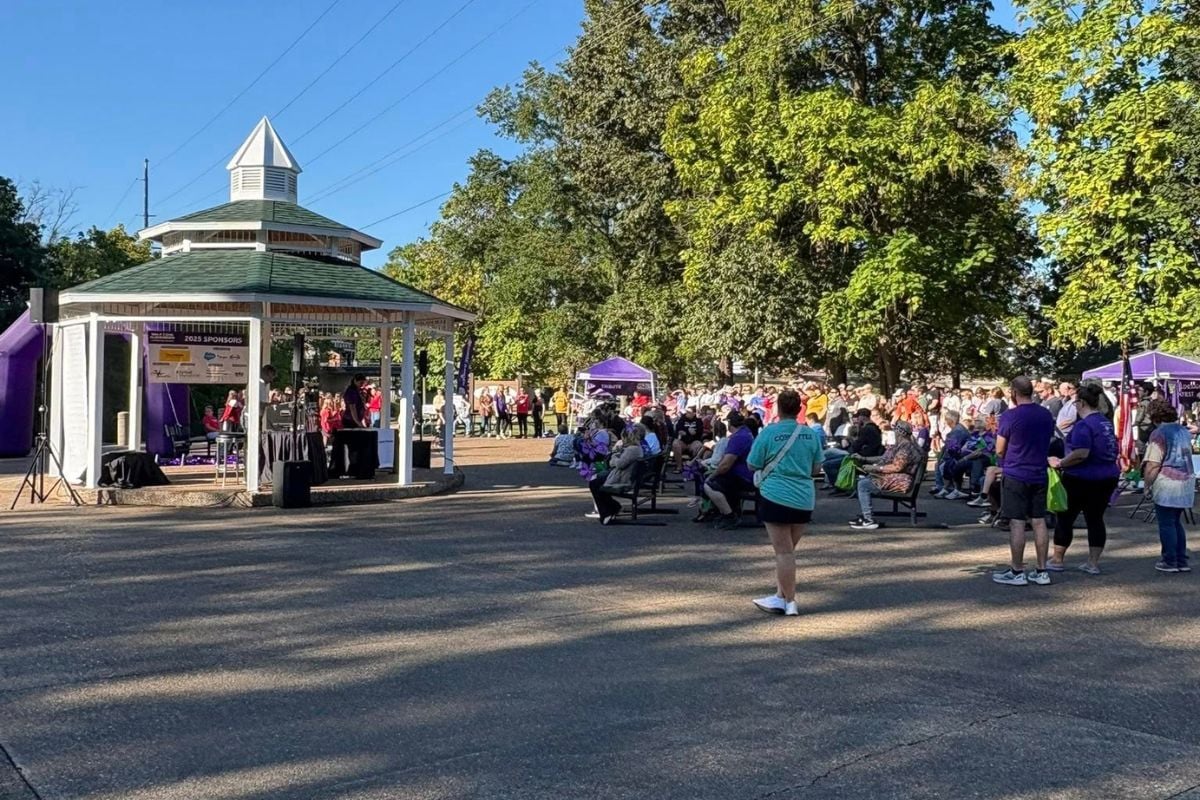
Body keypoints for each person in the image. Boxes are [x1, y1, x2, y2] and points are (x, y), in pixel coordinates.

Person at [747, 389, 825, 616]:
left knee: (783, 553)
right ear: (800, 409)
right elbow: (816, 467)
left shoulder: (769, 433)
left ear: (778, 408)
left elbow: (753, 464)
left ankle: (789, 601)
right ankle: (780, 595)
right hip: (804, 497)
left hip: (776, 495)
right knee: (788, 550)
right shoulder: (810, 434)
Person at [1047, 383, 1119, 575]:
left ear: (1082, 403)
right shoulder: (1105, 423)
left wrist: (1061, 463)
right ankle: (1093, 562)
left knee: (1065, 518)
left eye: (1075, 402)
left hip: (1081, 477)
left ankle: (1057, 559)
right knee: (1095, 519)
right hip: (1107, 475)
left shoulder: (1083, 425)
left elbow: (1081, 453)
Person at [992, 376, 1057, 586]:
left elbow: (1000, 448)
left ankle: (1017, 570)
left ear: (1013, 392)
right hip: (1039, 471)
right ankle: (1041, 570)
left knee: (1017, 522)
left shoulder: (1010, 416)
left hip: (1016, 472)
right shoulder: (1045, 414)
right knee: (1039, 521)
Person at [1142, 399, 1195, 573]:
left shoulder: (1159, 433)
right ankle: (1181, 559)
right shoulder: (1184, 431)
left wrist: (1147, 484)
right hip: (1186, 480)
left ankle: (1169, 560)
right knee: (1176, 522)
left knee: (1166, 523)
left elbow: (1153, 464)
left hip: (1167, 482)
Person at [848, 421, 923, 530]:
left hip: (902, 481)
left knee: (863, 485)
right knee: (864, 479)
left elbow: (897, 467)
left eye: (895, 430)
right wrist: (864, 459)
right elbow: (884, 458)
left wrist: (875, 468)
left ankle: (868, 519)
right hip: (899, 478)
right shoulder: (901, 445)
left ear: (899, 433)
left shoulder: (905, 447)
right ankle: (866, 515)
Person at [703, 412, 756, 529]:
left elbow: (725, 465)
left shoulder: (738, 438)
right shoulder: (746, 433)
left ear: (729, 424)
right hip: (749, 474)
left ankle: (729, 516)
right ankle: (724, 511)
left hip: (745, 477)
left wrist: (712, 475)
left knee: (710, 484)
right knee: (720, 479)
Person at [590, 425, 647, 525]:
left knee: (595, 484)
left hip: (623, 478)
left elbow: (619, 464)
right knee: (595, 482)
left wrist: (614, 456)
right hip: (623, 475)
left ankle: (608, 511)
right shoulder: (634, 448)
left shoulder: (632, 450)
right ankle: (612, 507)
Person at [931, 410, 969, 495]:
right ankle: (941, 486)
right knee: (939, 462)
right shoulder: (956, 429)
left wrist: (944, 457)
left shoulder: (957, 431)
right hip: (955, 454)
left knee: (942, 464)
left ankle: (947, 488)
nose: (945, 421)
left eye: (946, 419)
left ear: (951, 421)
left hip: (960, 456)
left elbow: (954, 448)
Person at [672, 406, 705, 472]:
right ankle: (679, 467)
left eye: (689, 412)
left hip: (693, 441)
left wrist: (690, 432)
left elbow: (699, 431)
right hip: (683, 441)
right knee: (675, 443)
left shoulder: (698, 421)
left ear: (694, 413)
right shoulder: (682, 419)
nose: (687, 413)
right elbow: (679, 430)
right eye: (686, 412)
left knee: (699, 445)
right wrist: (688, 430)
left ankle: (693, 466)